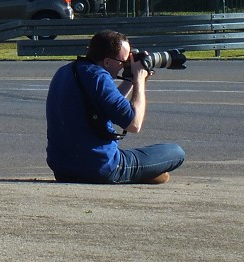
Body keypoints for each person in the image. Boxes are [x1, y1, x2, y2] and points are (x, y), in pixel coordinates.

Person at [45, 29, 184, 184]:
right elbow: (134, 124)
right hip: (101, 168)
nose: (125, 65)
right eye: (123, 61)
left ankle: (146, 173)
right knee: (176, 152)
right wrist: (139, 79)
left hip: (63, 169)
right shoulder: (98, 77)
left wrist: (129, 80)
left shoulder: (66, 71)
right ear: (106, 61)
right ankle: (143, 174)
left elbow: (107, 104)